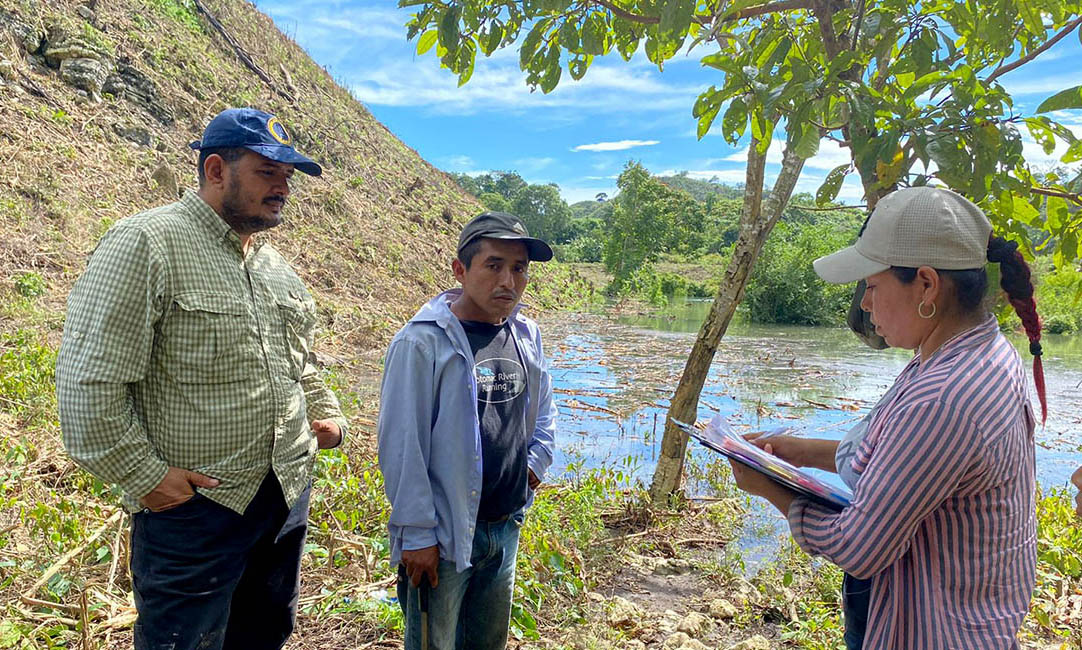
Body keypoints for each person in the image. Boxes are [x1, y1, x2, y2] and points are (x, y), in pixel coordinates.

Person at [55, 108, 348, 650]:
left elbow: (300, 362)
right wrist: (147, 479)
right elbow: (88, 383)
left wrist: (326, 413)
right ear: (216, 170)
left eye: (288, 176)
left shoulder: (274, 268)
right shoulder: (147, 243)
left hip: (284, 496)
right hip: (196, 512)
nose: (283, 188)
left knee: (264, 634)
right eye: (267, 172)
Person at [730, 186, 1043, 649]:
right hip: (966, 618)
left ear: (926, 285)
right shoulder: (976, 354)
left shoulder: (944, 397)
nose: (864, 304)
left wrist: (769, 486)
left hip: (937, 633)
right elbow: (908, 465)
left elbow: (859, 547)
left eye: (873, 287)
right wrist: (800, 453)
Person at [377, 211, 558, 650]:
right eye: (494, 265)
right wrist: (417, 534)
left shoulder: (525, 334)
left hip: (505, 525)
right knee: (435, 642)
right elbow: (403, 444)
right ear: (460, 270)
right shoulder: (422, 342)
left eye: (519, 269)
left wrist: (533, 466)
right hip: (445, 535)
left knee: (487, 641)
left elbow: (544, 411)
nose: (508, 282)